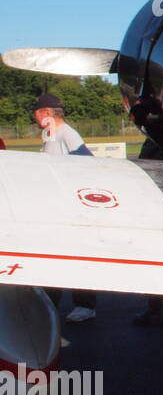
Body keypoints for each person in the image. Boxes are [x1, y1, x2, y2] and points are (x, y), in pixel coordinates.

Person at [33, 93, 98, 323]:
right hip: (55, 207)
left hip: (71, 208)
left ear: (47, 113)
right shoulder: (50, 134)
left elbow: (86, 162)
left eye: (37, 112)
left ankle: (86, 305)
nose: (35, 117)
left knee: (78, 256)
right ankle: (51, 302)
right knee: (55, 256)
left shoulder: (68, 134)